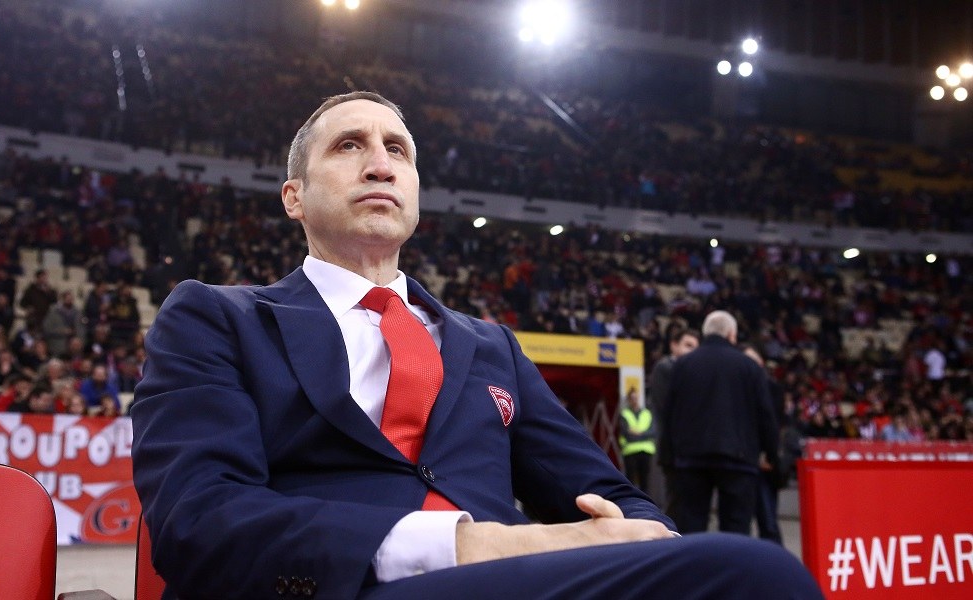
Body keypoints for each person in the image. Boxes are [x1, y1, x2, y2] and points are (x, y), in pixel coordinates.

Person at [131, 92, 822, 600]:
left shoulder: (492, 346)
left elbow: (609, 492)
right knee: (754, 573)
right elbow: (199, 520)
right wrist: (479, 543)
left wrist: (639, 534)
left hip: (515, 585)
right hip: (336, 587)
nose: (380, 165)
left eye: (398, 150)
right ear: (294, 197)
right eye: (349, 146)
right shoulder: (215, 317)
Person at [660, 310, 780, 535]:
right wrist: (772, 455)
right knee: (735, 530)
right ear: (732, 334)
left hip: (691, 459)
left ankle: (693, 559)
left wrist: (667, 458)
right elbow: (765, 415)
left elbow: (669, 414)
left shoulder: (683, 365)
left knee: (691, 527)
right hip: (739, 459)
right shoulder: (750, 367)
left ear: (705, 333)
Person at [645, 327, 699, 507]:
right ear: (674, 345)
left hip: (685, 447)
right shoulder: (665, 367)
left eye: (695, 347)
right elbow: (667, 407)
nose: (692, 351)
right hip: (671, 446)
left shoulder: (689, 371)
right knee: (673, 500)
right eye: (688, 345)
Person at [742, 345, 787, 545]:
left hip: (764, 462)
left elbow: (774, 425)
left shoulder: (773, 389)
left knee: (768, 520)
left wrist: (770, 455)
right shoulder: (735, 390)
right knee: (740, 522)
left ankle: (774, 558)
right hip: (741, 460)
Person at [618, 387, 655, 490]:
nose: (634, 400)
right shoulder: (625, 414)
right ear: (629, 400)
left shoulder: (647, 413)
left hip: (645, 450)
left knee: (645, 481)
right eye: (632, 398)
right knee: (630, 481)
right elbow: (626, 433)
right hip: (630, 451)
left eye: (636, 398)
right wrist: (643, 434)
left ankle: (645, 500)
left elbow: (652, 432)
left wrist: (636, 433)